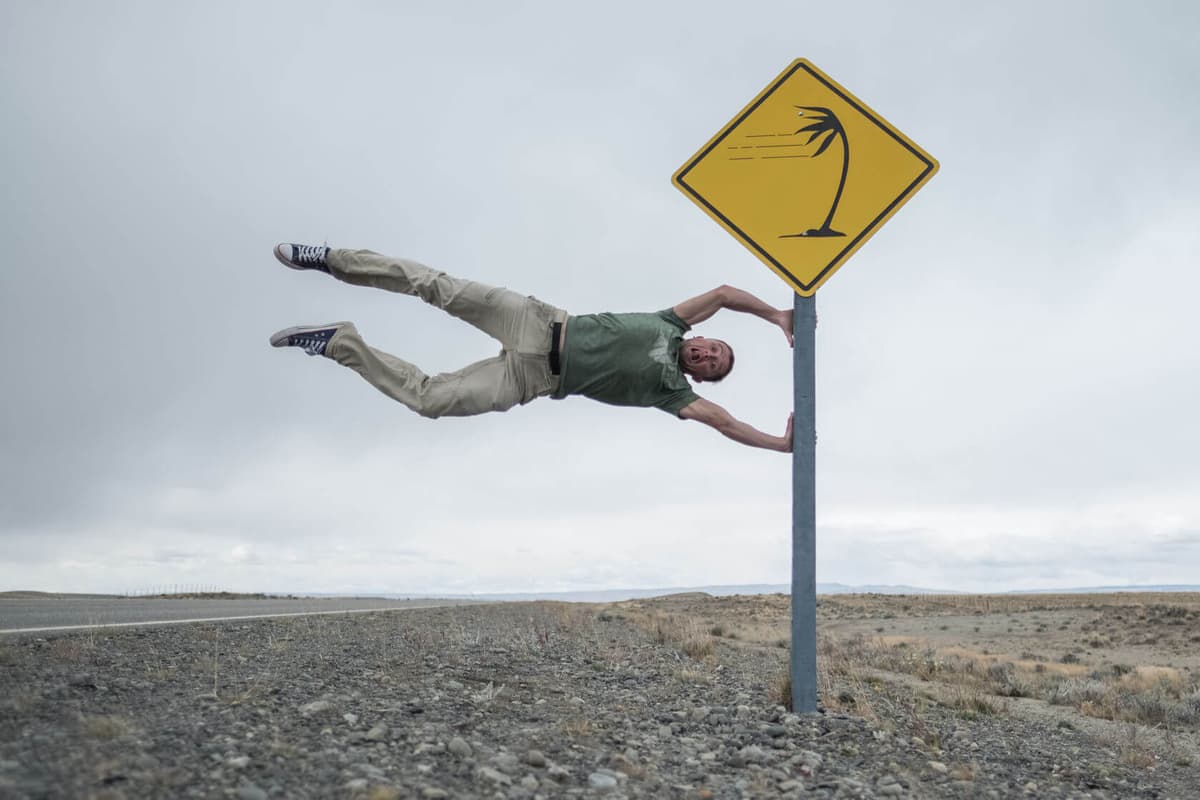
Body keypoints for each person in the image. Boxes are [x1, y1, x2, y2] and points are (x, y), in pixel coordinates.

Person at [270, 244, 795, 452]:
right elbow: (725, 294)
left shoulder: (672, 394)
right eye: (713, 349)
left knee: (430, 400)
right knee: (434, 285)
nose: (707, 358)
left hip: (534, 382)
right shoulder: (669, 323)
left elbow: (724, 423)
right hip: (537, 325)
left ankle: (340, 343)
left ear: (701, 380)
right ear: (701, 336)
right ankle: (333, 259)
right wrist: (775, 315)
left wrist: (779, 444)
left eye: (713, 367)